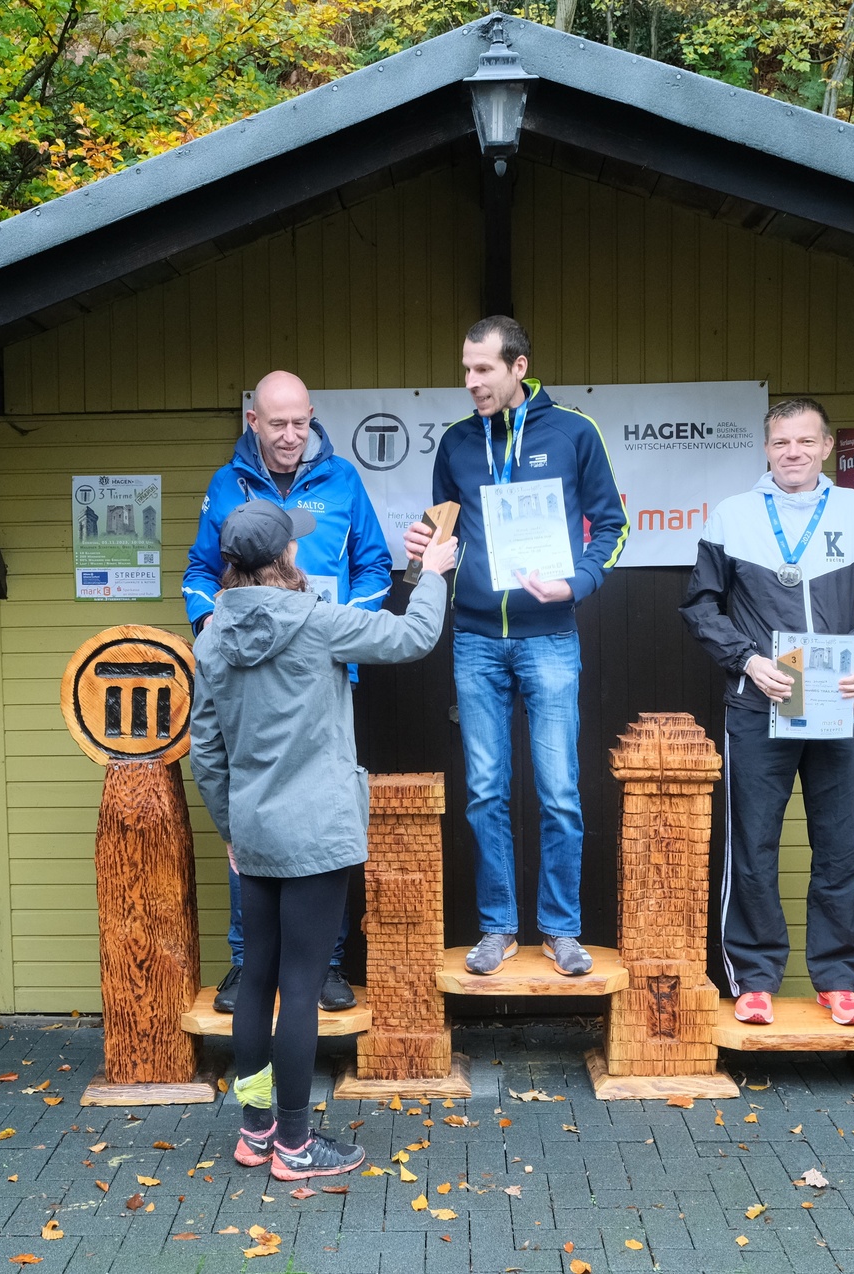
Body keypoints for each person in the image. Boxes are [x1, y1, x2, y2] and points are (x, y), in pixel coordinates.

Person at [190, 500, 455, 1180]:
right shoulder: (316, 621)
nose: (301, 555)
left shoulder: (212, 637)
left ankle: (255, 1132)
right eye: (295, 549)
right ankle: (296, 1145)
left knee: (257, 981)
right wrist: (433, 574)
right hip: (315, 834)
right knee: (302, 989)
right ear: (282, 559)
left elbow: (207, 753)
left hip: (253, 833)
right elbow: (412, 638)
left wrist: (231, 827)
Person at [403, 316, 628, 978]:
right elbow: (441, 530)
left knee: (558, 790)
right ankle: (497, 927)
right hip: (474, 636)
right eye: (465, 370)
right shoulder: (455, 443)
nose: (470, 382)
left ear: (518, 367)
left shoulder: (573, 432)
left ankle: (560, 930)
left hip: (549, 637)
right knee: (484, 791)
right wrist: (422, 546)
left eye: (483, 370)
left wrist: (577, 582)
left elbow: (610, 524)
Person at [678, 399, 854, 1027]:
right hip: (761, 702)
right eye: (780, 442)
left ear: (827, 446)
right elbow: (700, 606)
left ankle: (838, 979)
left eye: (804, 441)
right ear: (766, 448)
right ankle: (753, 977)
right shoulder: (733, 517)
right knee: (753, 843)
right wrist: (747, 660)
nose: (792, 452)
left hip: (840, 704)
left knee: (838, 846)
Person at [183, 370, 392, 1016]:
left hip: (321, 675)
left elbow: (376, 564)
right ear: (253, 422)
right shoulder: (227, 485)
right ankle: (249, 964)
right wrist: (209, 621)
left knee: (321, 819)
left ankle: (324, 965)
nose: (290, 435)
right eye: (277, 424)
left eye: (300, 422)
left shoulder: (343, 481)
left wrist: (343, 633)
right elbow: (197, 569)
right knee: (249, 816)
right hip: (248, 676)